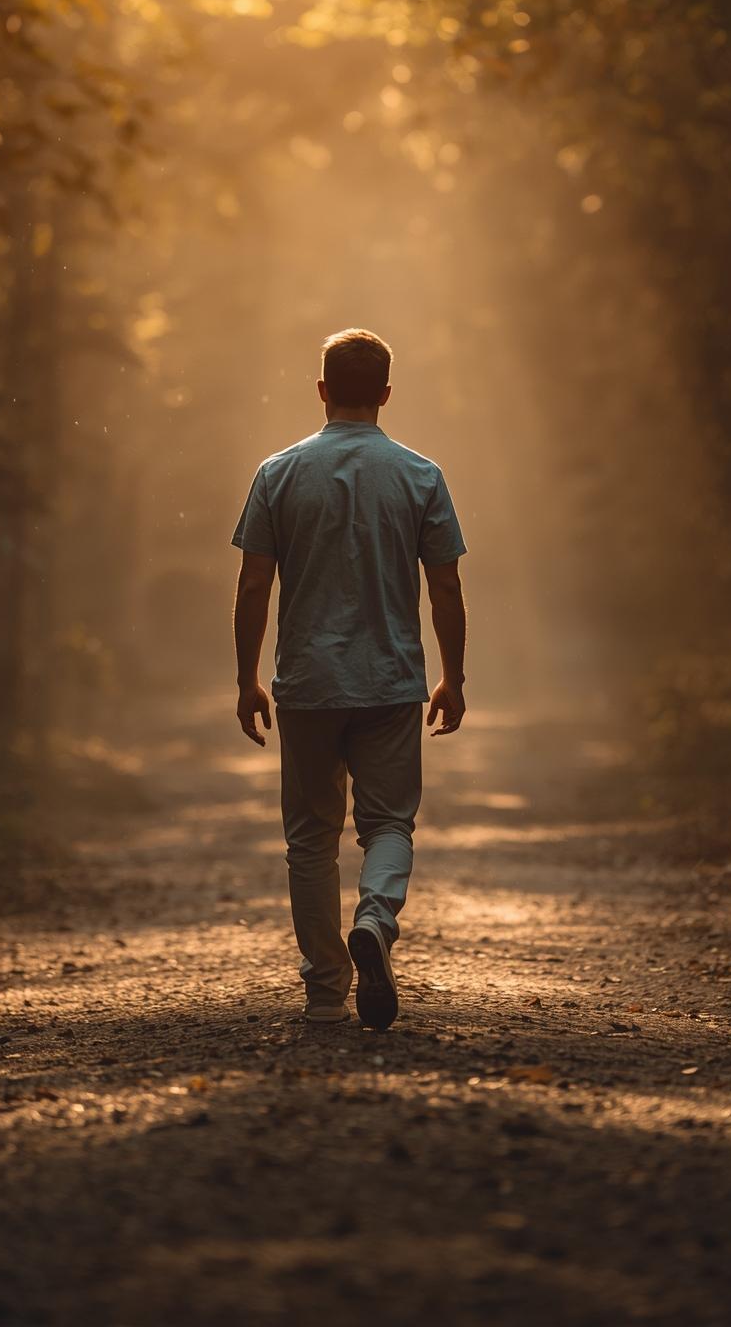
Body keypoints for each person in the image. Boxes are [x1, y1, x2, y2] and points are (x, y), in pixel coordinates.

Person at [231, 328, 468, 1030]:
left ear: (323, 390)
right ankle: (374, 915)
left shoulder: (277, 473)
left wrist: (247, 678)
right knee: (389, 824)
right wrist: (453, 675)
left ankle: (327, 993)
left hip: (306, 683)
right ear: (387, 394)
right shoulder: (420, 475)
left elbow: (253, 584)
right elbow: (446, 587)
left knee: (310, 839)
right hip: (392, 681)